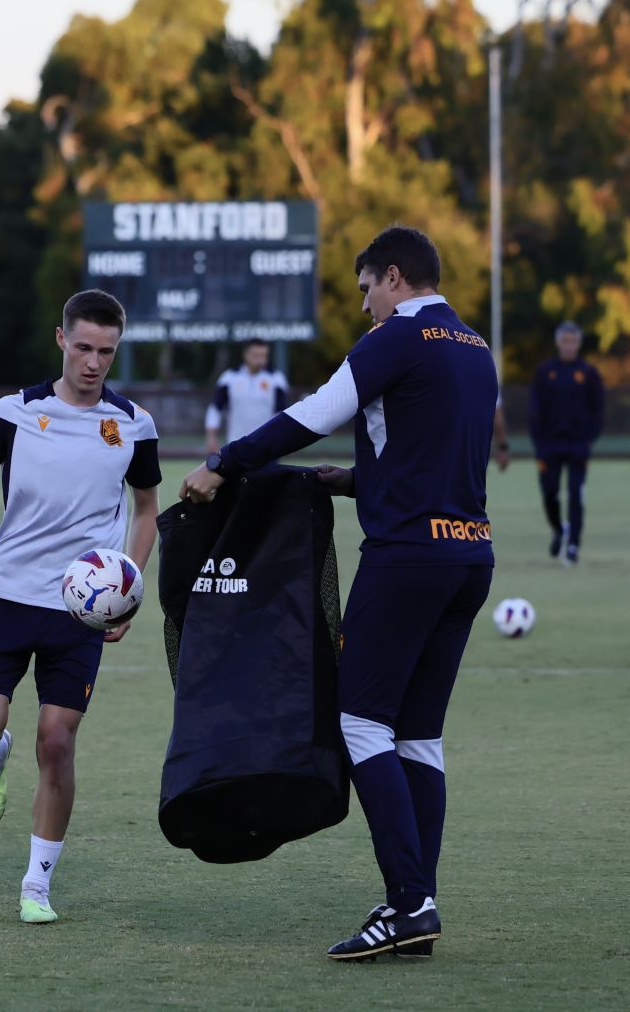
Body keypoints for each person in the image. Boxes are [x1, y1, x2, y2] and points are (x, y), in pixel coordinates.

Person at [181, 225, 497, 960]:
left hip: (407, 560)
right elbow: (433, 458)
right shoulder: (476, 348)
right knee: (417, 734)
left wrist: (224, 463)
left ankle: (409, 900)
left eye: (364, 291)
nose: (363, 309)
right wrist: (352, 481)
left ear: (394, 276)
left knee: (361, 724)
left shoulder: (398, 339)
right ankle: (420, 902)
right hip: (469, 557)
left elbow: (313, 415)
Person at [0, 289, 161, 924]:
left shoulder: (133, 423)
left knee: (58, 742)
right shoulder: (17, 412)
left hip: (79, 608)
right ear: (62, 340)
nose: (93, 362)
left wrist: (128, 587)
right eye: (82, 347)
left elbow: (146, 511)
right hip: (5, 594)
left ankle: (37, 885)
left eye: (105, 352)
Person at [529, 320, 605, 565]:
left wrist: (589, 438)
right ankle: (558, 529)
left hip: (577, 446)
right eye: (565, 341)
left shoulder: (589, 373)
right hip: (549, 446)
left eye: (573, 341)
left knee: (576, 494)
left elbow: (598, 409)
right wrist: (538, 440)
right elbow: (535, 409)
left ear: (578, 343)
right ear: (558, 342)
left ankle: (573, 544)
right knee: (550, 493)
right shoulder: (545, 372)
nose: (569, 346)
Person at [205, 338, 289, 452]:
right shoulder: (229, 378)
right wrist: (211, 437)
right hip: (236, 444)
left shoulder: (276, 379)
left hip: (267, 446)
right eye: (256, 355)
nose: (260, 360)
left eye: (263, 356)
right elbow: (216, 408)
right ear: (245, 355)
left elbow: (281, 413)